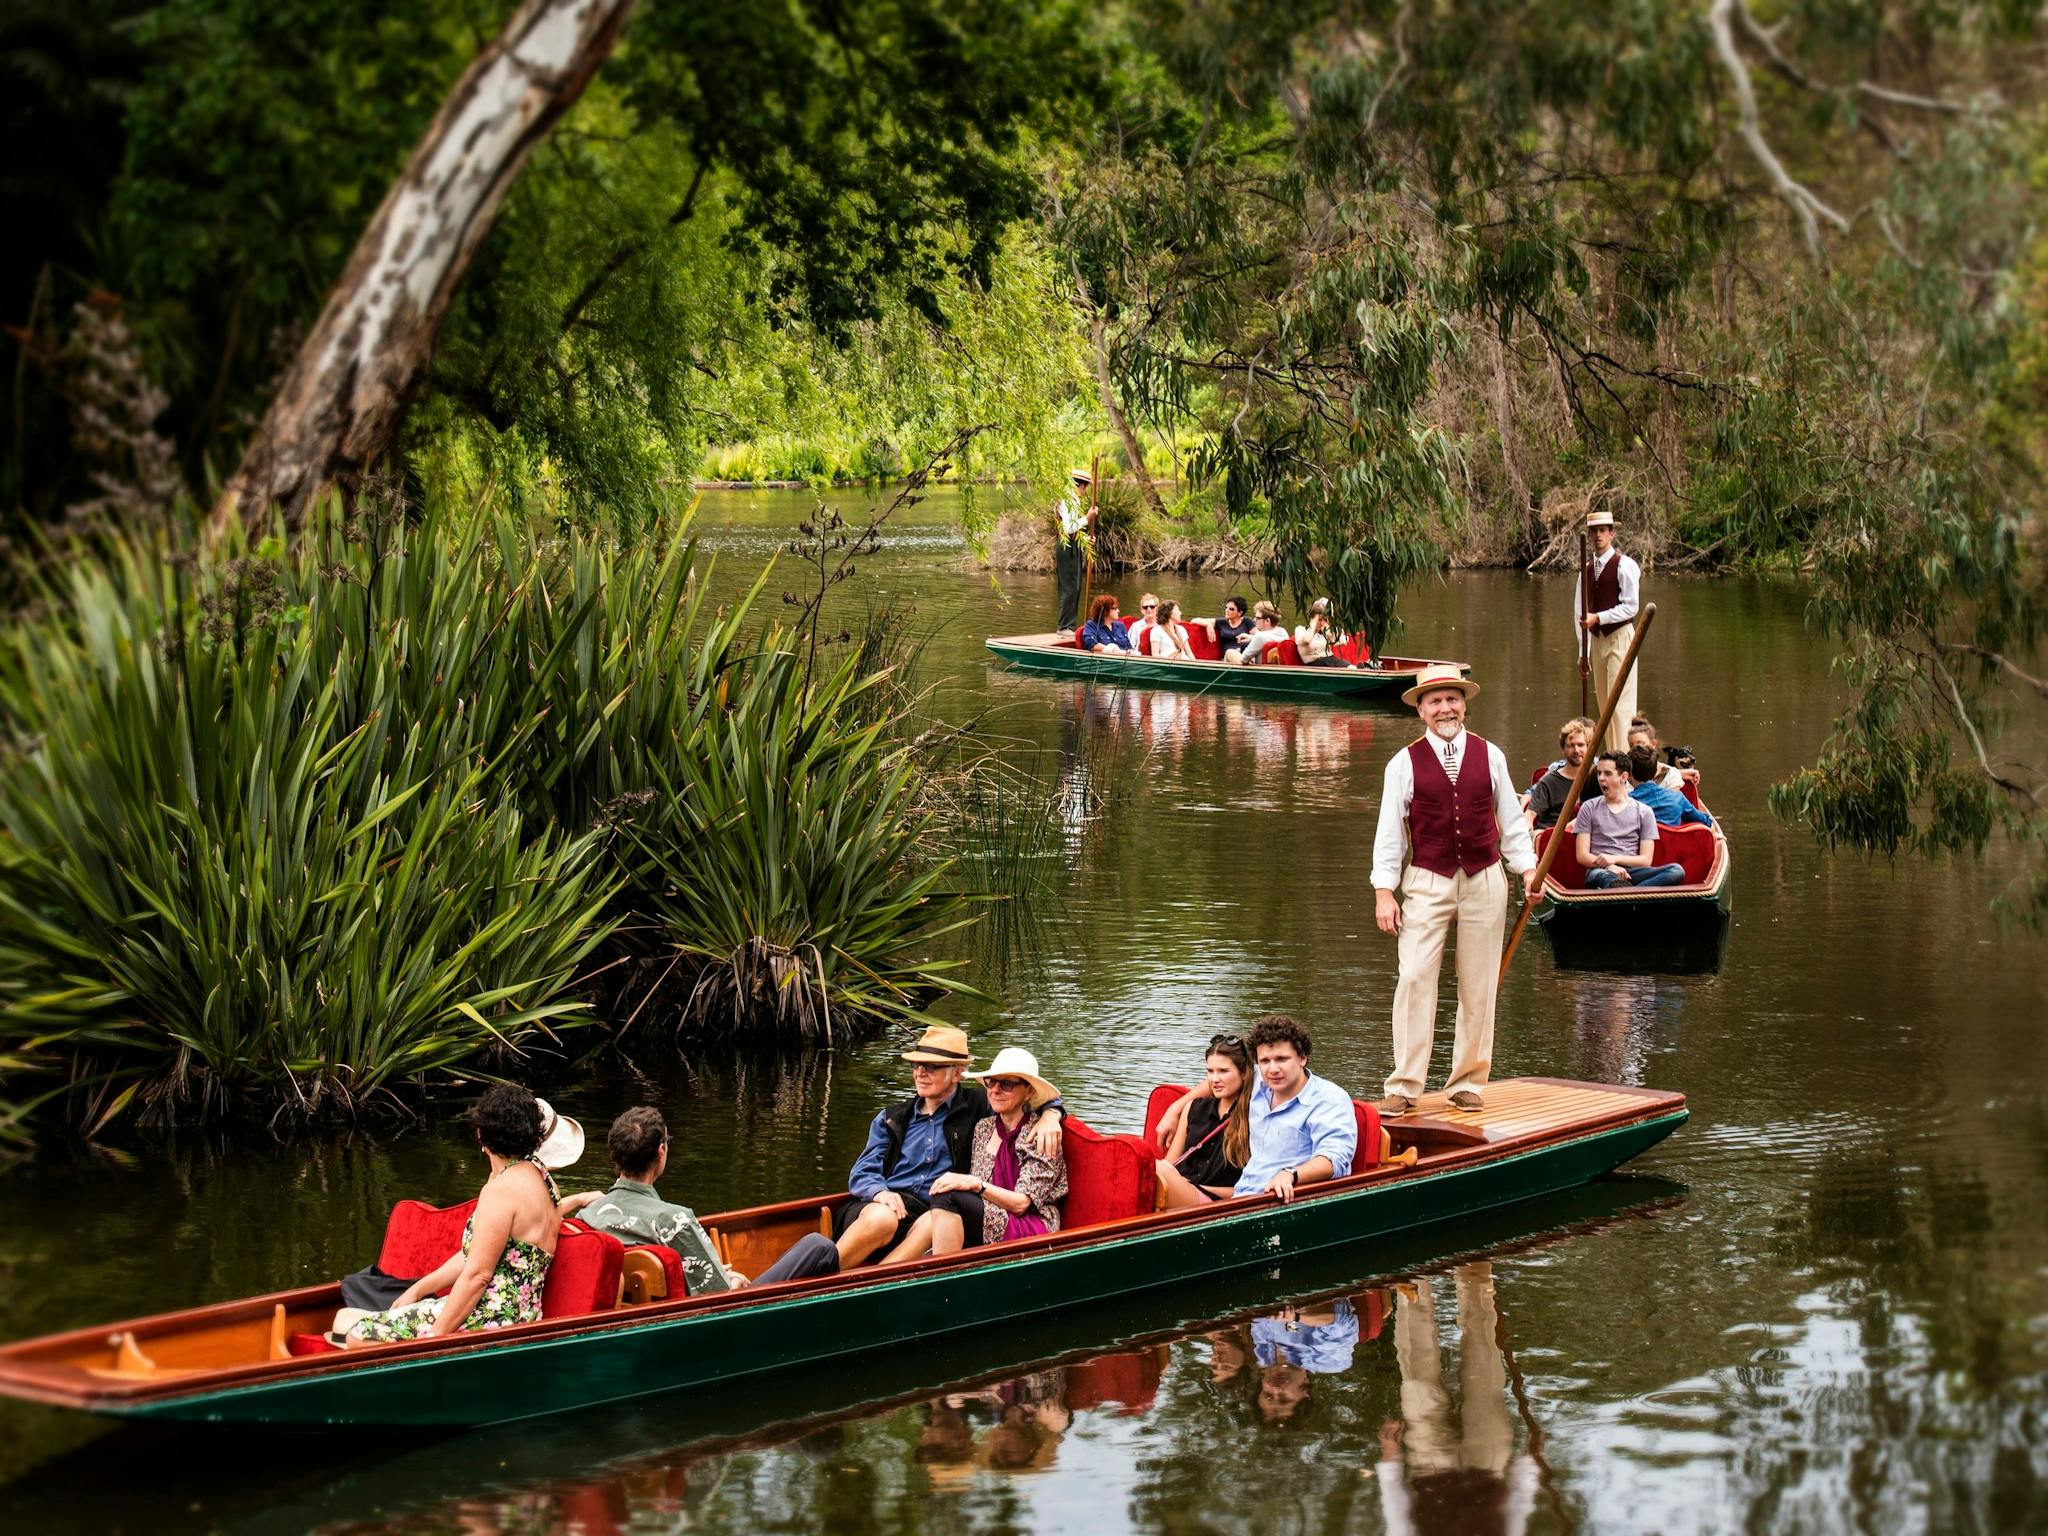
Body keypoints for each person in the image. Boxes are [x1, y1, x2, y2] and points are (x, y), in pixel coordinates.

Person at [1372, 666, 1540, 1117]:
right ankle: (1404, 1086)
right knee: (1413, 978)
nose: (1445, 707)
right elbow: (1391, 834)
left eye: (1452, 699)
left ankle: (1467, 1082)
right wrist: (1384, 891)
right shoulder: (1403, 763)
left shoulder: (1491, 755)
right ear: (1421, 710)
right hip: (1427, 878)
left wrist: (1527, 870)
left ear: (1463, 704)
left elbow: (1510, 819)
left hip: (1485, 877)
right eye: (1435, 701)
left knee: (1479, 982)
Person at [336, 1085, 567, 1343]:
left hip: (490, 1318)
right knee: (344, 1319)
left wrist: (436, 1337)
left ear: (481, 1135)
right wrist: (418, 1289)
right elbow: (477, 1255)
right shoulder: (543, 1178)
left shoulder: (501, 1190)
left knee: (356, 1335)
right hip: (522, 1314)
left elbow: (478, 1276)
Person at [834, 1025, 1065, 1268]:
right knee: (882, 1218)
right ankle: (816, 1283)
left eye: (931, 1066)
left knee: (936, 1214)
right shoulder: (891, 1118)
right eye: (917, 1065)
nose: (921, 1073)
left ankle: (870, 1287)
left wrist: (1052, 1113)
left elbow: (1026, 1103)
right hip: (883, 1205)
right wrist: (881, 1193)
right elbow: (862, 1172)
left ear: (958, 1073)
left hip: (934, 1212)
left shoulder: (982, 1107)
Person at [559, 1106, 838, 1292]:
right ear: (661, 1152)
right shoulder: (674, 1219)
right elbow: (719, 1292)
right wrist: (733, 1279)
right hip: (722, 1319)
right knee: (819, 1247)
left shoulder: (589, 1214)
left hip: (658, 1308)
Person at [1378, 1264, 1536, 1536]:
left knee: (1417, 1374)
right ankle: (1474, 1266)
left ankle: (1413, 1271)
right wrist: (1529, 1465)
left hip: (1429, 1472)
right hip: (1489, 1471)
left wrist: (1390, 1463)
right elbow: (1516, 1514)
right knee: (1483, 1358)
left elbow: (1398, 1526)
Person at [882, 1047, 1068, 1262]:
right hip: (990, 1214)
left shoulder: (1041, 1135)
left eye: (1006, 1084)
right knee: (941, 1198)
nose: (995, 1090)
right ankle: (872, 1279)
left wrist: (975, 1183)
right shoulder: (984, 1127)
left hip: (1029, 1226)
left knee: (947, 1196)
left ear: (1029, 1092)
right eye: (991, 1082)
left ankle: (944, 1276)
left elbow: (1021, 1204)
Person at [1233, 1014, 1356, 1201]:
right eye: (1265, 1061)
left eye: (1282, 1059)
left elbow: (1334, 1160)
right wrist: (1177, 1108)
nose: (1272, 1069)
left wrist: (1291, 1174)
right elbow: (1221, 1075)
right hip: (1240, 1196)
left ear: (1302, 1058)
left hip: (1282, 1202)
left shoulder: (1329, 1099)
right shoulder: (1258, 1082)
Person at [1151, 1033, 1253, 1208]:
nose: (1214, 1079)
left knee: (1153, 1168)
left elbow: (1250, 1188)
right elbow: (1170, 1163)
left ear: (1244, 1073)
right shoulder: (1193, 1108)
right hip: (1179, 1189)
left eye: (1223, 1071)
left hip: (1212, 1202)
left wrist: (1194, 1187)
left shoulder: (1254, 1117)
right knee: (1148, 1169)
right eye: (1210, 1071)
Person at [1571, 509, 1642, 750]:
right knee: (1604, 705)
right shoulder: (1587, 570)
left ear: (1612, 534)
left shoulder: (1625, 565)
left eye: (1602, 530)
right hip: (1597, 641)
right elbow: (1580, 613)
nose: (1598, 535)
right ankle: (1612, 756)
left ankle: (1623, 761)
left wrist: (1598, 617)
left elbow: (1631, 607)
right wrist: (1583, 652)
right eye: (1594, 531)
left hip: (1620, 638)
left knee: (1620, 705)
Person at [1574, 751, 1686, 888]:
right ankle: (1628, 892)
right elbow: (1582, 855)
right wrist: (1609, 866)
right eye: (1599, 773)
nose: (1601, 778)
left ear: (1624, 777)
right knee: (1602, 877)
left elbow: (1645, 860)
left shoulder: (1644, 811)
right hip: (1600, 870)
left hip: (1632, 872)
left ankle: (1626, 892)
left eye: (1608, 774)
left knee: (1675, 871)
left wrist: (1615, 859)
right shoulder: (1588, 807)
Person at [1523, 716, 1595, 833]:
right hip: (1551, 837)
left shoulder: (1597, 778)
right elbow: (1530, 814)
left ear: (1588, 747)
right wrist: (1527, 826)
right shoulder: (1548, 782)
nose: (1576, 750)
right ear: (1563, 749)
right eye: (1571, 745)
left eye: (1580, 745)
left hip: (1585, 835)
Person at [1626, 745, 1714, 828]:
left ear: (1629, 774)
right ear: (1655, 771)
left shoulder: (1625, 803)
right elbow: (1706, 822)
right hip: (1671, 844)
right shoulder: (1677, 798)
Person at [1053, 470, 1094, 631]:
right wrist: (1088, 518)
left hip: (1073, 545)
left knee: (1076, 586)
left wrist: (1085, 540)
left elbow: (1072, 530)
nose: (1085, 492)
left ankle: (1069, 626)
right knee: (1069, 587)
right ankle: (1064, 626)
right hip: (1066, 547)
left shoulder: (1073, 500)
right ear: (1080, 485)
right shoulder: (1067, 500)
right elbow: (1068, 528)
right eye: (1085, 488)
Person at [1626, 716, 1698, 790]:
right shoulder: (1625, 775)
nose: (1635, 749)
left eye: (1640, 744)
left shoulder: (1671, 774)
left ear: (1653, 744)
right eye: (1631, 745)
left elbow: (1673, 800)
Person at [1294, 598, 1355, 668]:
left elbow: (1342, 640)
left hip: (1331, 660)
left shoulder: (1325, 632)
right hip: (1315, 664)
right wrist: (1315, 618)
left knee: (1352, 668)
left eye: (1325, 619)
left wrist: (1327, 626)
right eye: (1319, 619)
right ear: (1311, 618)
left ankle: (1367, 666)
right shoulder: (1300, 630)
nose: (1322, 622)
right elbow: (1306, 640)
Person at [1225, 601, 1289, 666]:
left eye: (1258, 618)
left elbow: (1243, 659)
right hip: (1275, 669)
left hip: (1259, 672)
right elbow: (1269, 638)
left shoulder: (1260, 636)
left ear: (1267, 621)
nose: (1254, 620)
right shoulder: (1283, 632)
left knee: (1229, 652)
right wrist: (1252, 638)